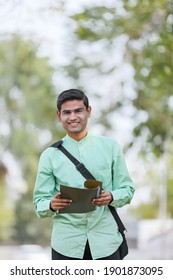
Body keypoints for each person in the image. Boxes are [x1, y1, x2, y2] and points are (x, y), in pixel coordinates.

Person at [33, 88, 135, 260]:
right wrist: (52, 204)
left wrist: (111, 196)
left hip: (106, 243)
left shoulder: (110, 147)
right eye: (67, 112)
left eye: (78, 110)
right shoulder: (49, 155)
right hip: (66, 246)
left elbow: (127, 189)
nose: (73, 117)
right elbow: (39, 203)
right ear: (59, 115)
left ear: (88, 111)